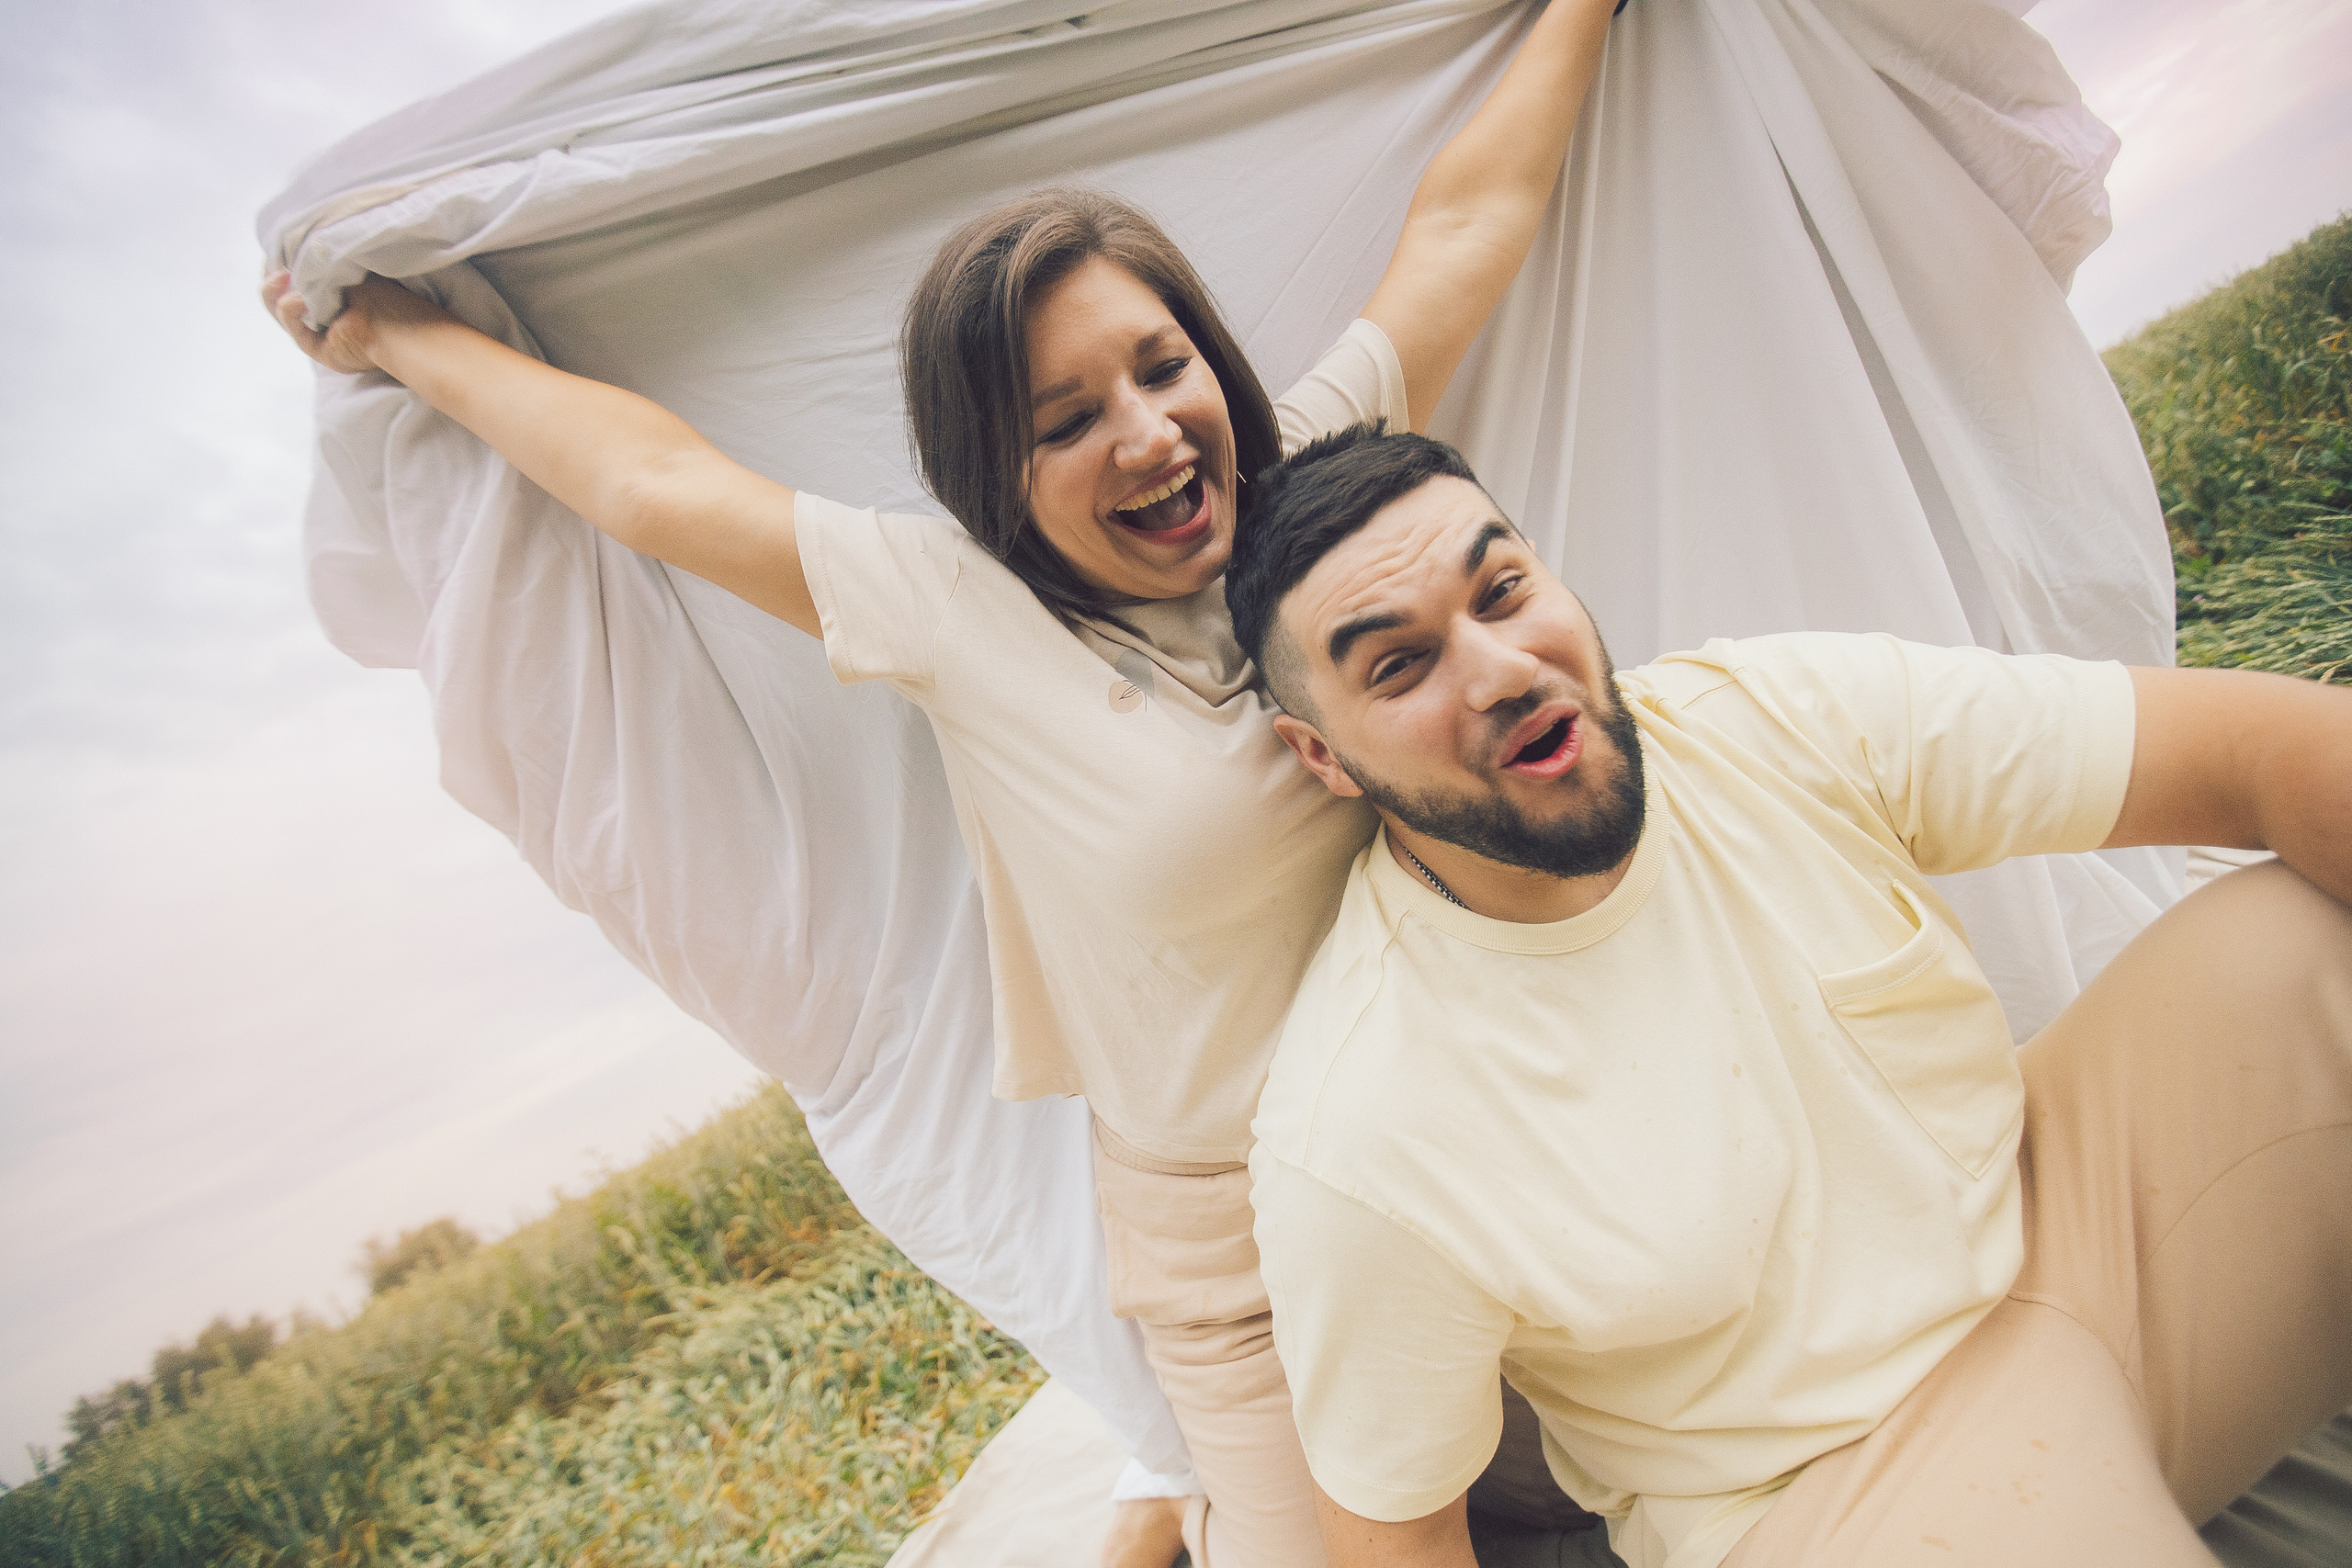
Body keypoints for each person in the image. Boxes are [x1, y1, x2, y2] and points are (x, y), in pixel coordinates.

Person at [260, 4, 1623, 1563]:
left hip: (1461, 1143)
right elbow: (651, 480)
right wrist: (391, 338)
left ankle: (1161, 1491)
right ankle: (1181, 1489)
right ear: (997, 476)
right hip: (1239, 1248)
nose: (1148, 433)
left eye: (1161, 366)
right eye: (1066, 421)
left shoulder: (1314, 498)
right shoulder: (959, 608)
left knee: (1641, 1483)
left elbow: (1464, 227)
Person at [1223, 423, 2352, 1568]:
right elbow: (1396, 1539)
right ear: (1322, 756)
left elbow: (2256, 750)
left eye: (1503, 592)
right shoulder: (1359, 1126)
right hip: (1834, 1485)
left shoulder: (1762, 718)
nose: (1503, 670)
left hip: (2083, 1234)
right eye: (1400, 665)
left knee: (2308, 938)